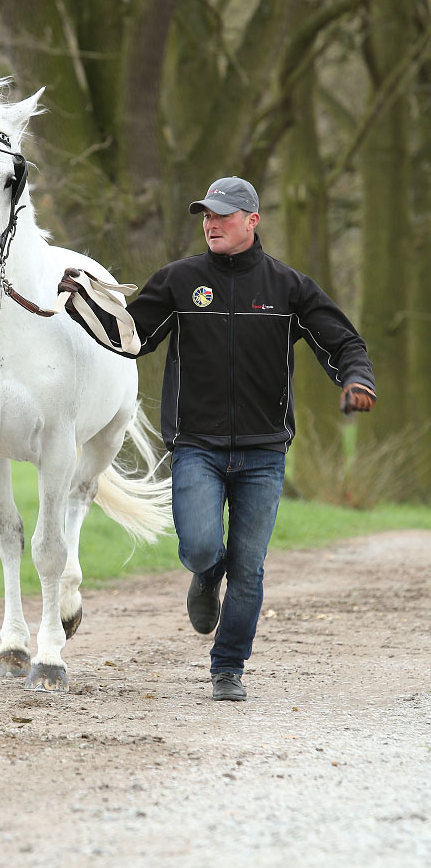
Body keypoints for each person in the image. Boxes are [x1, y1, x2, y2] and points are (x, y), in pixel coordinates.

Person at [58, 176, 376, 702]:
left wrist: (356, 378)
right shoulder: (180, 281)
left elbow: (341, 340)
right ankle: (206, 577)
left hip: (264, 452)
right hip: (197, 447)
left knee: (249, 568)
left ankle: (227, 668)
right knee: (202, 544)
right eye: (205, 215)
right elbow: (131, 338)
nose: (211, 223)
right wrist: (87, 304)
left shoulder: (288, 287)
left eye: (222, 215)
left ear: (252, 220)